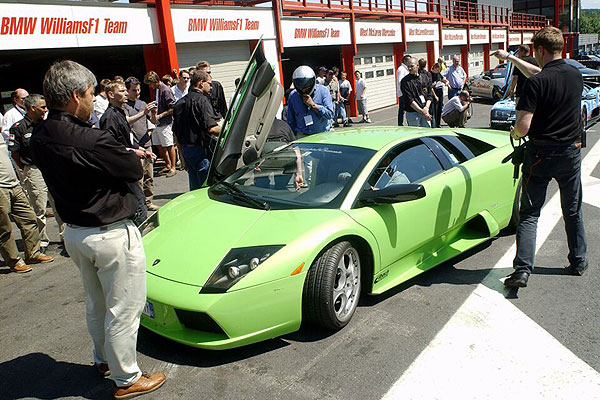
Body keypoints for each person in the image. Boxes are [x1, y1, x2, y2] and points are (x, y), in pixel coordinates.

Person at [30, 60, 166, 397]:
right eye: (91, 94)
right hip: (109, 233)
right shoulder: (91, 138)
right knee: (124, 307)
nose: (94, 100)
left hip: (74, 232)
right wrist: (122, 154)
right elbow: (133, 170)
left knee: (97, 302)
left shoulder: (42, 134)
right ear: (76, 96)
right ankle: (128, 378)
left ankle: (102, 359)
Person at [493, 27, 588, 288]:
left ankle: (523, 270)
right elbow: (542, 73)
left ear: (540, 50)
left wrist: (513, 131)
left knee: (530, 214)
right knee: (572, 209)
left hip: (540, 155)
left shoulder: (535, 84)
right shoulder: (574, 74)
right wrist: (512, 58)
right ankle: (578, 260)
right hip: (569, 153)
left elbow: (523, 126)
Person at [0, 134, 53, 274]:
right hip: (1, 188)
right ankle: (14, 261)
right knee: (4, 227)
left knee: (29, 218)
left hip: (14, 184)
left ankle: (33, 253)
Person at [99, 81, 151, 225]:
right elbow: (111, 147)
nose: (126, 94)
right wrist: (134, 151)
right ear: (111, 94)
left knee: (140, 201)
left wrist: (141, 149)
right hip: (121, 169)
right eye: (122, 91)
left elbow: (127, 137)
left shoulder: (120, 112)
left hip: (129, 164)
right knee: (138, 206)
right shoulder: (109, 117)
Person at [8, 94, 54, 250]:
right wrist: (24, 168)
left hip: (51, 168)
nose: (45, 110)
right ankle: (42, 241)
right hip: (34, 170)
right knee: (39, 207)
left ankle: (65, 236)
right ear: (32, 108)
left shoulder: (48, 125)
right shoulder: (19, 127)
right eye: (43, 107)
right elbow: (15, 152)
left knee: (57, 203)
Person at [172, 70, 221, 190]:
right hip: (199, 150)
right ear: (200, 83)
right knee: (206, 188)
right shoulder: (202, 100)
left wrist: (182, 157)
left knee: (194, 187)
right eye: (209, 83)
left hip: (186, 150)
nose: (211, 87)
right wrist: (230, 130)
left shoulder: (179, 103)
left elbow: (176, 133)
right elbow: (212, 128)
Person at [123, 77, 159, 212]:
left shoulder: (143, 103)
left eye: (138, 90)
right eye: (134, 90)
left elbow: (153, 121)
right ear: (127, 90)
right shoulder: (124, 106)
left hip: (146, 143)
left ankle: (149, 201)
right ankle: (139, 203)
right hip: (135, 146)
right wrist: (143, 113)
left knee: (149, 175)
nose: (137, 92)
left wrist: (153, 113)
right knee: (138, 177)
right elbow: (127, 121)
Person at [144, 71, 177, 177]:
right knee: (158, 144)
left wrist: (160, 115)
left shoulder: (165, 90)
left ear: (154, 81)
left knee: (168, 144)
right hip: (157, 122)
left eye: (150, 83)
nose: (150, 86)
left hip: (165, 122)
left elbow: (172, 108)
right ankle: (167, 164)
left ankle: (173, 167)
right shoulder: (157, 89)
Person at [287, 65, 335, 137]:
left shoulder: (323, 91)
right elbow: (291, 120)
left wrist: (313, 105)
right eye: (301, 87)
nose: (303, 90)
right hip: (302, 135)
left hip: (322, 134)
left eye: (306, 87)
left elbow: (330, 115)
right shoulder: (293, 96)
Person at [400, 57, 432, 127]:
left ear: (417, 65)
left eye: (412, 66)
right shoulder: (405, 82)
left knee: (427, 132)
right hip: (413, 113)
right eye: (408, 67)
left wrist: (426, 108)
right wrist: (422, 112)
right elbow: (410, 100)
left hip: (425, 110)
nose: (409, 68)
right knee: (415, 133)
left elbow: (429, 95)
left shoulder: (425, 77)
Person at [418, 58, 435, 127]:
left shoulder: (417, 73)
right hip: (427, 96)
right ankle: (433, 128)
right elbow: (430, 86)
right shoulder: (428, 74)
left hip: (420, 96)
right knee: (431, 113)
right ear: (425, 65)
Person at [396, 54, 411, 125]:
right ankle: (400, 123)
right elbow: (400, 81)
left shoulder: (407, 68)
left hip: (406, 92)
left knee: (405, 109)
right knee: (402, 109)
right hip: (403, 93)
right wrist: (404, 92)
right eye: (409, 60)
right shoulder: (401, 69)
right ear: (405, 61)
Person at [430, 63, 446, 128]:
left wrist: (446, 81)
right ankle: (434, 124)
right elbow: (430, 87)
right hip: (434, 92)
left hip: (440, 91)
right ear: (435, 68)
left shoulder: (438, 74)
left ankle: (438, 123)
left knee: (439, 108)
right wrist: (435, 96)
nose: (439, 72)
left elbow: (442, 79)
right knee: (434, 110)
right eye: (438, 70)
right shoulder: (430, 74)